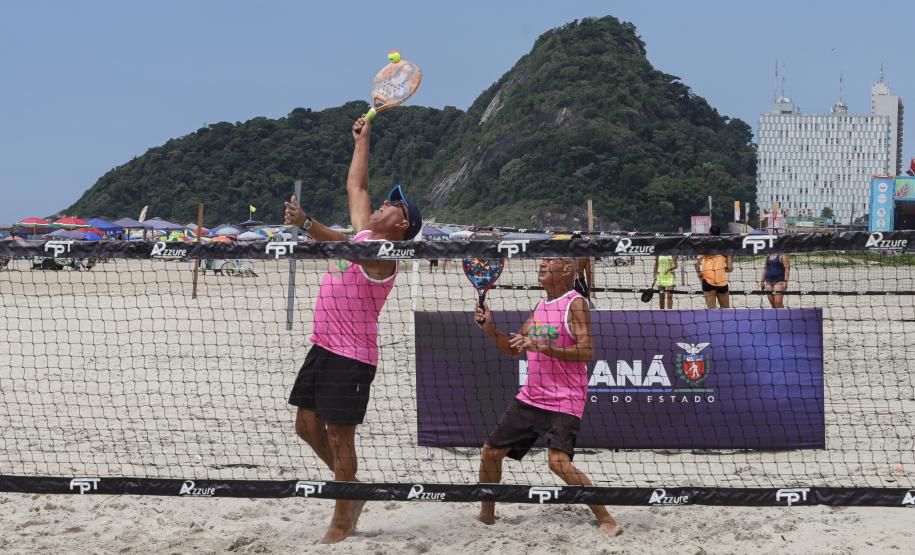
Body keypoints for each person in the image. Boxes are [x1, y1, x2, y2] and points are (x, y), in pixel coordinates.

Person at [283, 115, 422, 544]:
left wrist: (307, 224)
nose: (382, 203)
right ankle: (352, 489)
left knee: (341, 435)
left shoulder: (385, 256)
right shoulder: (366, 232)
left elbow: (340, 246)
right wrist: (364, 139)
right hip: (323, 346)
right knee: (306, 427)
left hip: (353, 356)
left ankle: (342, 517)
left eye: (392, 205)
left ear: (401, 225)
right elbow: (356, 187)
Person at [473, 257, 621, 537]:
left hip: (565, 398)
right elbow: (513, 348)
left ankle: (606, 517)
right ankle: (487, 515)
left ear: (567, 270)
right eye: (542, 259)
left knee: (557, 463)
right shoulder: (541, 306)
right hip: (531, 397)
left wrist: (541, 346)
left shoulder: (575, 303)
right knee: (490, 452)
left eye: (550, 260)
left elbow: (586, 351)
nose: (542, 263)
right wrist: (490, 328)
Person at [694, 225, 733, 309]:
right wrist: (721, 269)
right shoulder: (725, 247)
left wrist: (699, 274)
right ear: (720, 234)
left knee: (711, 313)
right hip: (721, 281)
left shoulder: (705, 247)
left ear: (709, 233)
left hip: (708, 281)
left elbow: (696, 262)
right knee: (725, 312)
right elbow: (730, 268)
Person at [570, 233, 595, 308]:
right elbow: (588, 274)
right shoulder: (585, 256)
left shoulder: (567, 255)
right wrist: (589, 289)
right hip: (580, 284)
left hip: (568, 284)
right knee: (582, 309)